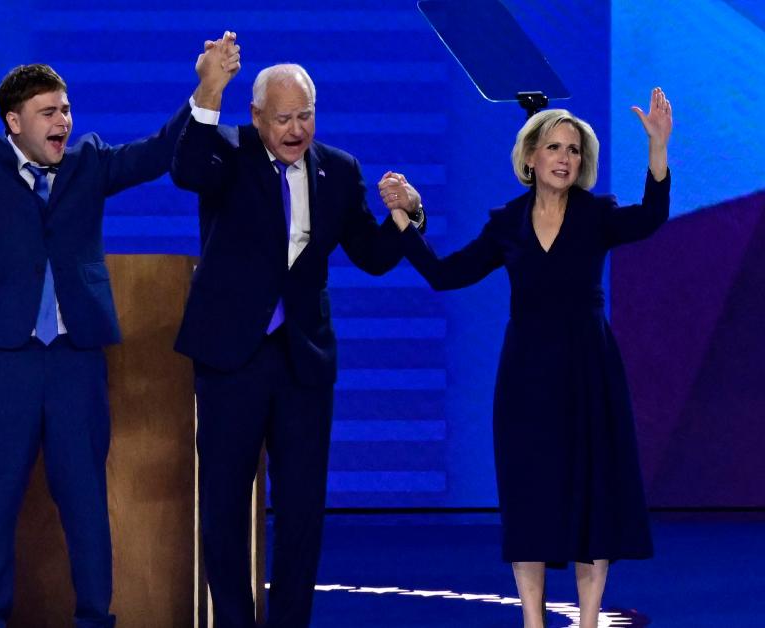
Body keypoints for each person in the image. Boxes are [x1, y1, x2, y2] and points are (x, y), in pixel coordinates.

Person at [0, 32, 235, 628]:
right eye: (48, 112)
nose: (63, 120)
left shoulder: (90, 161)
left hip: (74, 362)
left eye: (66, 109)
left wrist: (208, 87)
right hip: (3, 361)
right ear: (14, 121)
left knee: (85, 502)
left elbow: (158, 152)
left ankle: (96, 618)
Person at [389, 88, 672, 628]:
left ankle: (587, 622)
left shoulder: (597, 215)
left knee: (592, 495)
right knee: (529, 496)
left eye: (573, 149)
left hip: (589, 371)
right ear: (530, 158)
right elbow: (447, 274)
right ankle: (533, 621)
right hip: (526, 377)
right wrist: (406, 222)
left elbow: (653, 217)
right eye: (554, 147)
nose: (565, 158)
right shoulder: (508, 224)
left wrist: (657, 149)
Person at [171, 35, 425, 627]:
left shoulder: (339, 170)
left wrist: (407, 213)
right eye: (282, 118)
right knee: (225, 506)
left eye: (304, 115)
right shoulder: (226, 153)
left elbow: (372, 254)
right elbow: (185, 167)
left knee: (304, 509)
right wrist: (210, 88)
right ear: (256, 117)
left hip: (303, 360)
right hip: (232, 358)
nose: (295, 128)